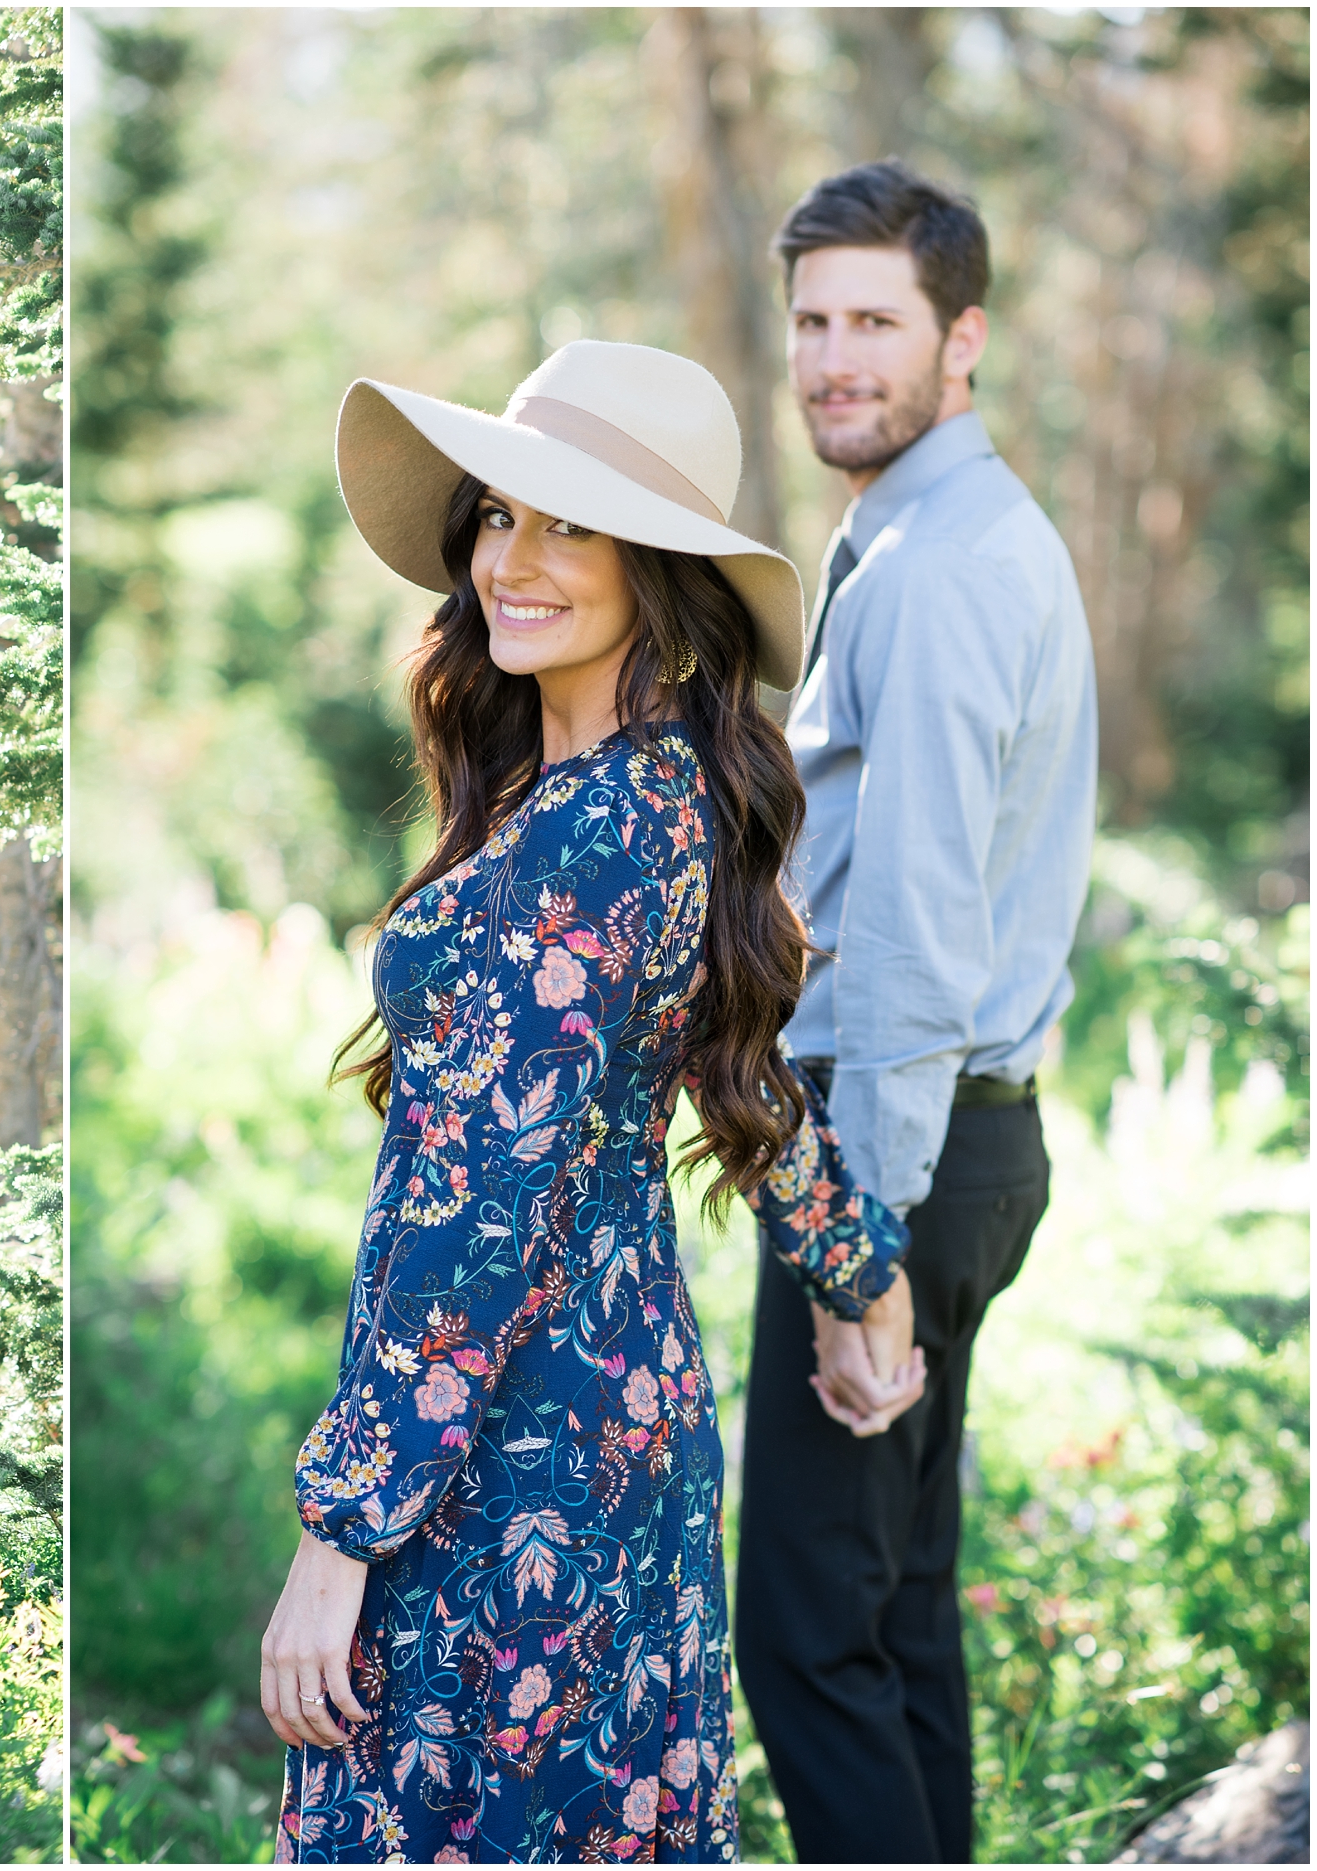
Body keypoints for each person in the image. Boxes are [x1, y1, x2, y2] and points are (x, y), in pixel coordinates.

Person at [262, 340, 914, 1864]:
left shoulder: (598, 832)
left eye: (571, 523)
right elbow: (737, 1070)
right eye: (498, 514)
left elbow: (481, 1210)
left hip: (512, 1449)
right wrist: (859, 1268)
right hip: (610, 1412)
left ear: (661, 569)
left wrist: (342, 1522)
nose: (515, 556)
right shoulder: (639, 795)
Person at [736, 161, 1096, 1864]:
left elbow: (918, 927)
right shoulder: (930, 536)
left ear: (964, 340)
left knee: (807, 1639)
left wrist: (856, 1249)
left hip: (896, 1145)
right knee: (895, 1618)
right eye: (811, 321)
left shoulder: (942, 568)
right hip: (957, 1138)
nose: (832, 358)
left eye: (874, 320)